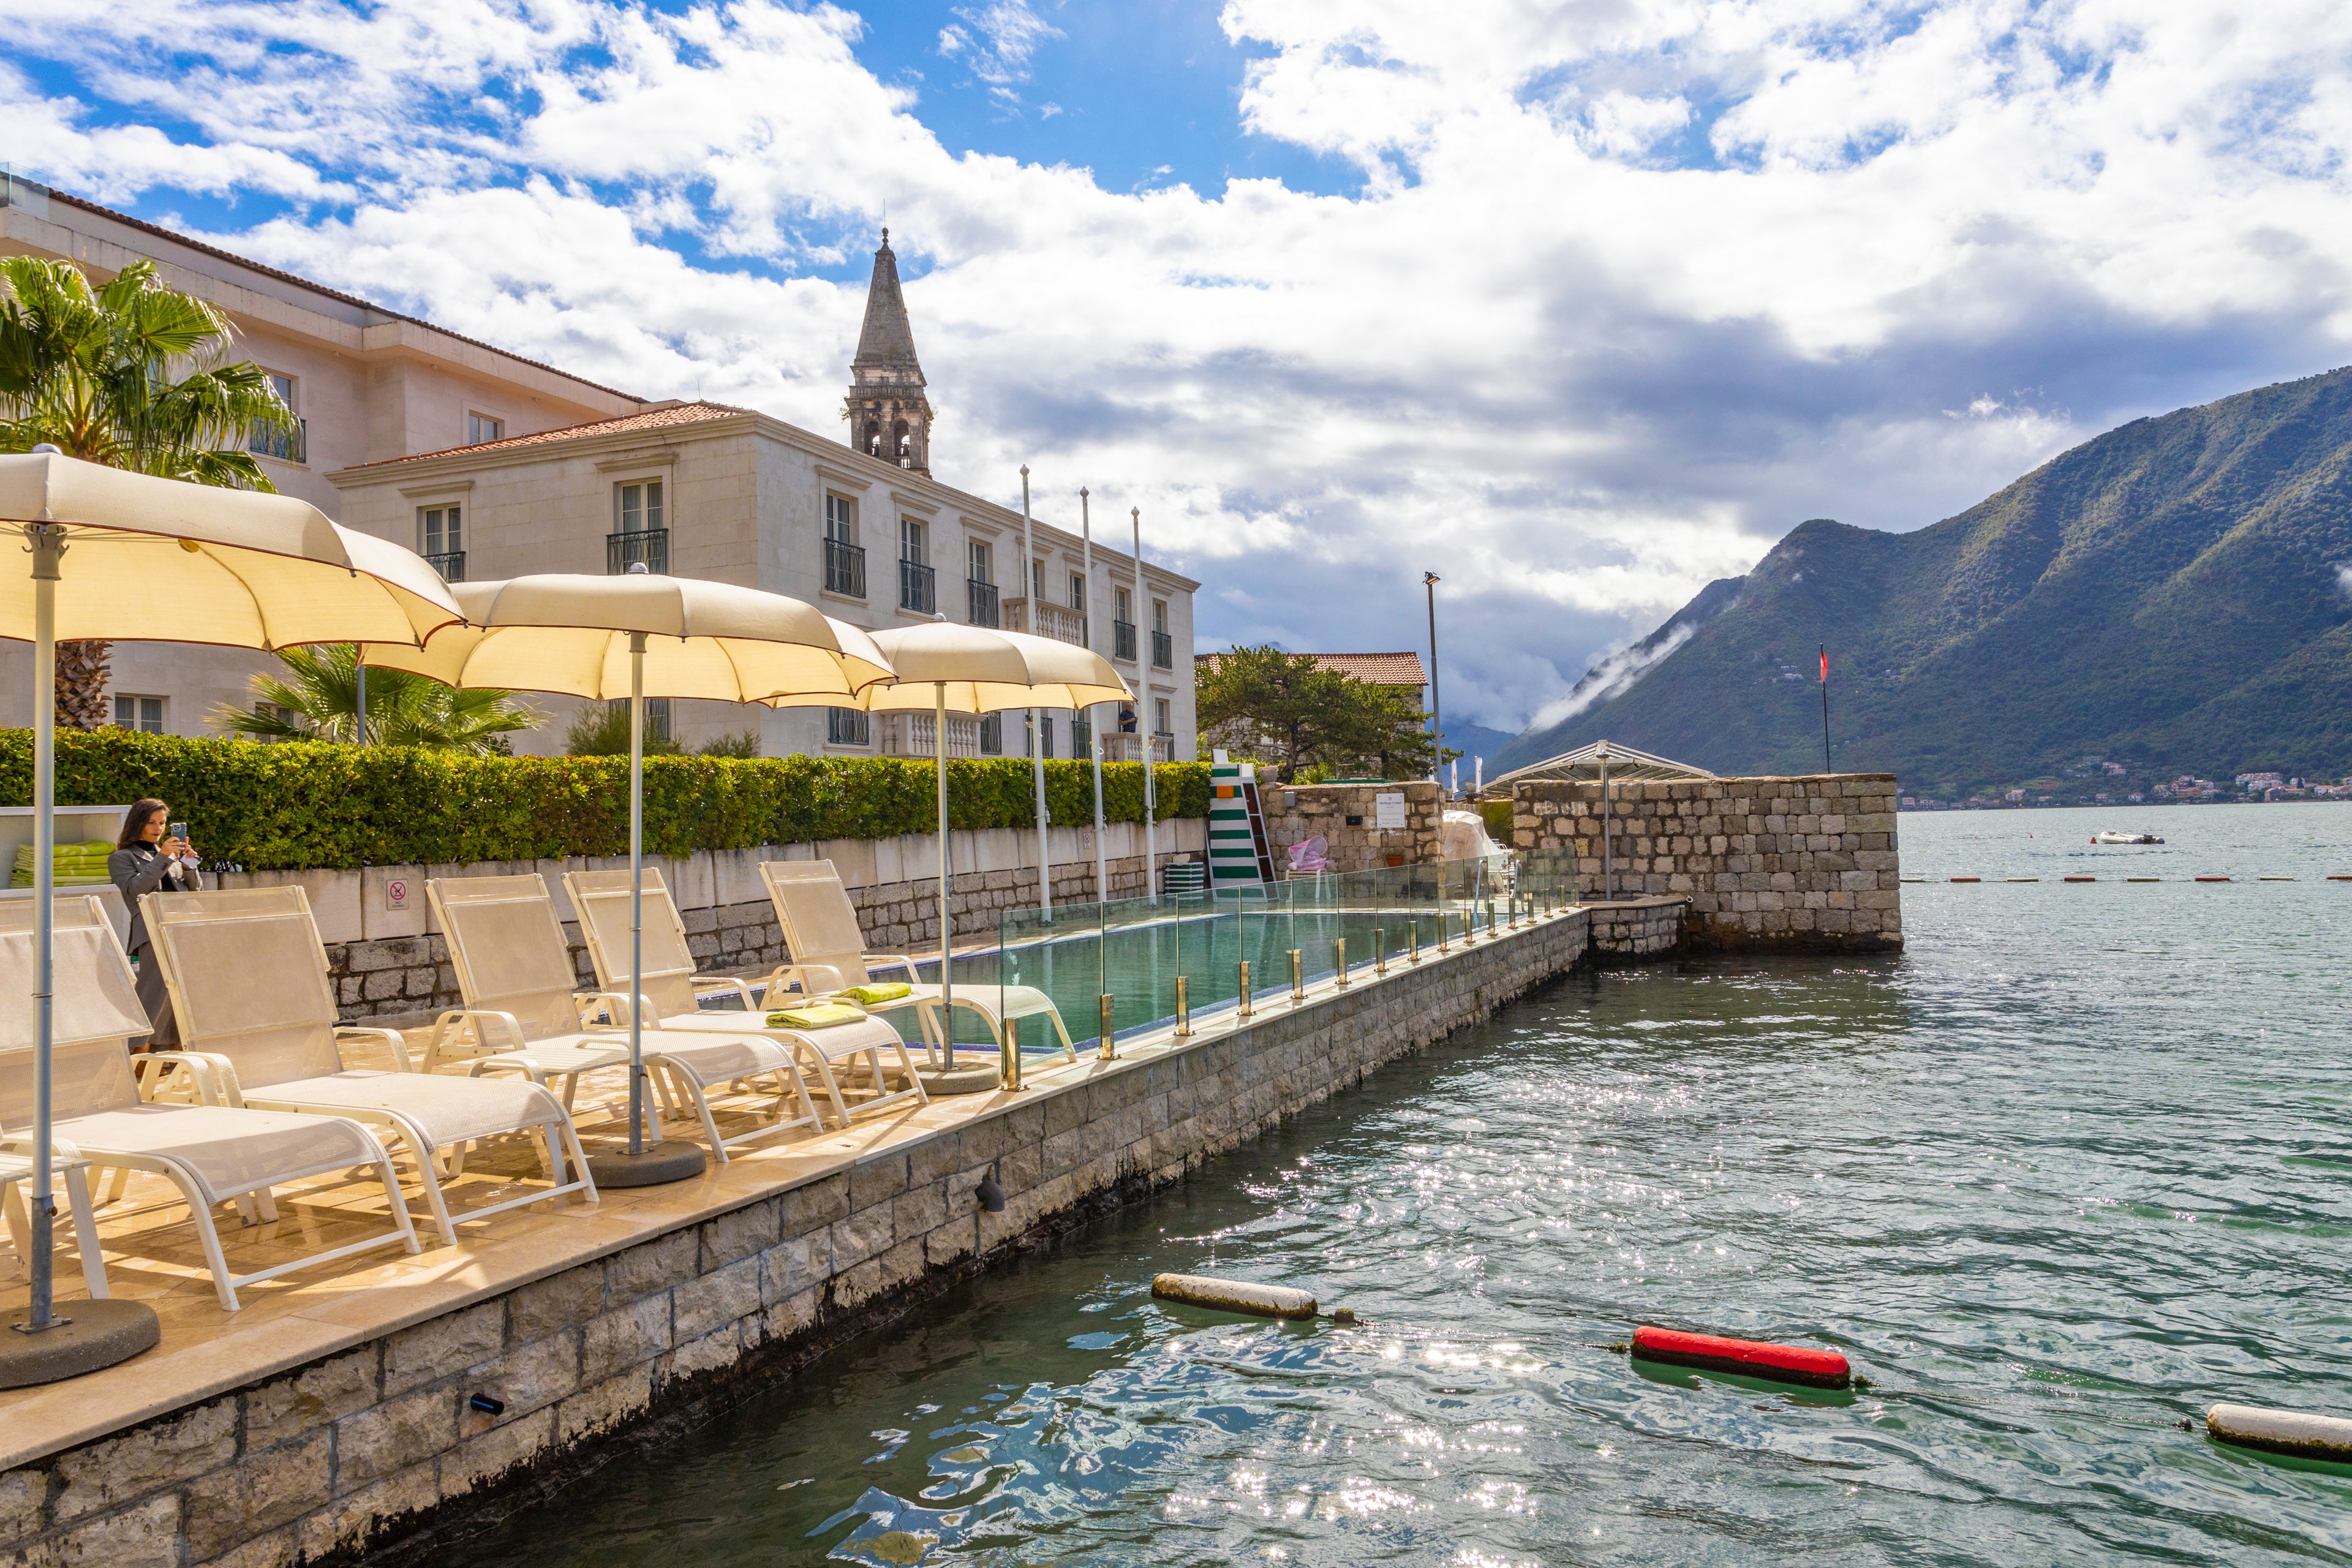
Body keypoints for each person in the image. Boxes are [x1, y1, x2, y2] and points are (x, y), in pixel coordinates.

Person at [107, 798, 204, 1049]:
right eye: (151, 822)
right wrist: (163, 857)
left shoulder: (170, 856)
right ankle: (136, 1048)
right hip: (151, 929)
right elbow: (135, 890)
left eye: (162, 823)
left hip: (181, 927)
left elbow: (195, 890)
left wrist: (188, 865)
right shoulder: (121, 857)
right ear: (137, 823)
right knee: (153, 990)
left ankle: (169, 1047)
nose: (158, 828)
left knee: (180, 992)